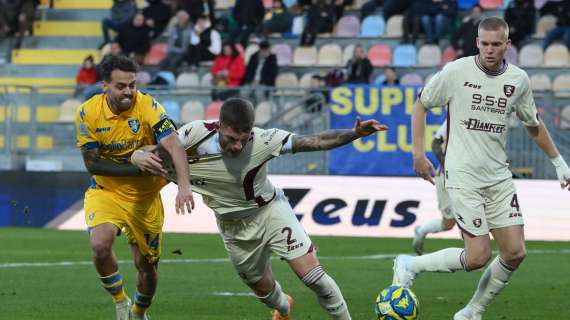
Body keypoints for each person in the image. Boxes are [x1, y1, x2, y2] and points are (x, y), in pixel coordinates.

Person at [132, 97, 388, 319]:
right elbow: (153, 152)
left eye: (242, 140)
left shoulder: (265, 140)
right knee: (265, 292)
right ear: (219, 126)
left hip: (270, 212)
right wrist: (135, 155)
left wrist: (353, 133)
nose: (237, 146)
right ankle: (283, 307)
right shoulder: (194, 135)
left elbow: (317, 140)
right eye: (231, 139)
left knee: (313, 277)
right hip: (233, 227)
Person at [392, 17, 570, 320]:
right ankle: (410, 264)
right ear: (477, 42)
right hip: (462, 176)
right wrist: (418, 154)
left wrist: (559, 163)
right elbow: (420, 105)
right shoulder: (456, 71)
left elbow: (534, 125)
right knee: (478, 256)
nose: (489, 50)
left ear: (507, 45)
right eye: (484, 44)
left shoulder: (518, 80)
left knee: (515, 252)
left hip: (499, 177)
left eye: (496, 44)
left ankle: (473, 311)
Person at [75, 55, 194, 320]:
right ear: (105, 85)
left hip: (145, 198)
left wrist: (184, 186)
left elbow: (174, 143)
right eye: (121, 86)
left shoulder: (148, 105)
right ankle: (120, 302)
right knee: (100, 246)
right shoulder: (87, 113)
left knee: (147, 267)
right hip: (107, 192)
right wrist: (134, 161)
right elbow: (93, 164)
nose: (128, 91)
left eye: (132, 85)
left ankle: (139, 313)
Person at [412, 119, 456, 255]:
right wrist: (446, 163)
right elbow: (435, 143)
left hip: (468, 177)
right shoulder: (453, 117)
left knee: (465, 218)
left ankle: (474, 256)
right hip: (446, 178)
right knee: (449, 223)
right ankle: (422, 230)